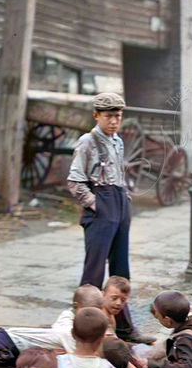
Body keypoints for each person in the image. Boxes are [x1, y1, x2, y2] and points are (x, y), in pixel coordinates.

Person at [66, 92, 155, 345]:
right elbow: (74, 181)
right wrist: (95, 204)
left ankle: (126, 329)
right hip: (101, 207)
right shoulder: (87, 142)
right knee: (93, 274)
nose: (114, 121)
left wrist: (125, 201)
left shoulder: (117, 141)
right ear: (96, 116)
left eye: (118, 116)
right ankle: (84, 332)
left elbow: (119, 174)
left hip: (119, 204)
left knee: (120, 273)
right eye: (109, 116)